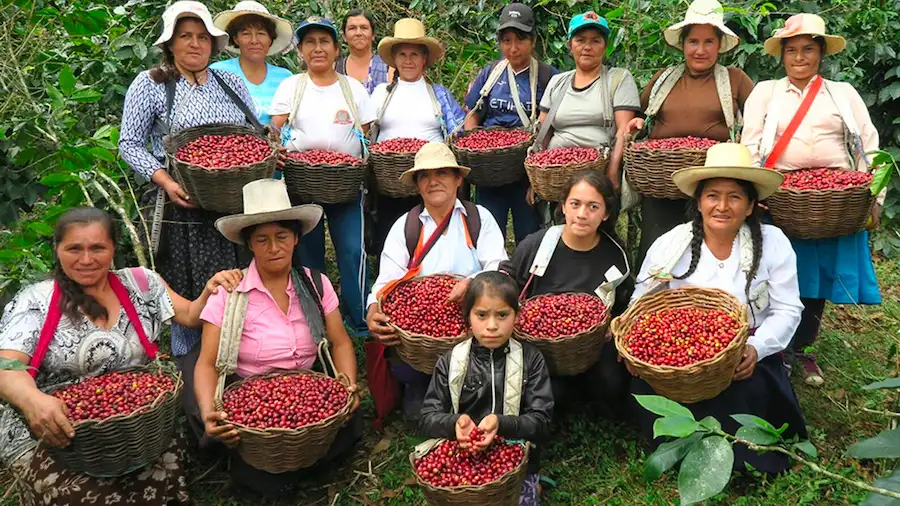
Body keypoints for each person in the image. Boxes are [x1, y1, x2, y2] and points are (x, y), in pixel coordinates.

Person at [0, 207, 241, 505]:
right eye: (74, 249)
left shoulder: (141, 283)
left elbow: (191, 315)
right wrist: (32, 401)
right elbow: (7, 367)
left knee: (158, 477)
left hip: (134, 427)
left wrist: (210, 290)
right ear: (57, 249)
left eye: (97, 248)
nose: (86, 259)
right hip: (58, 432)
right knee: (88, 495)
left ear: (113, 248)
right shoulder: (36, 300)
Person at [118, 0, 261, 420]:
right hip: (183, 209)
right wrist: (165, 180)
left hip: (231, 203)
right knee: (191, 283)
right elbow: (129, 144)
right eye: (185, 36)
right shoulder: (151, 84)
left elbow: (251, 133)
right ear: (170, 43)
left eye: (202, 37)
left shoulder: (227, 81)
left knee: (236, 279)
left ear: (213, 44)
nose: (195, 44)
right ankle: (195, 377)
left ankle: (241, 359)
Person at [629, 143, 806, 474]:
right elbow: (643, 299)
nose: (722, 206)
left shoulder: (773, 243)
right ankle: (683, 446)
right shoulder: (672, 244)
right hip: (681, 358)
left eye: (734, 197)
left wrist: (756, 348)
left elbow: (787, 309)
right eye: (712, 196)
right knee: (647, 385)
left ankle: (735, 457)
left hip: (743, 354)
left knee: (744, 395)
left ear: (750, 206)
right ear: (699, 202)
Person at [193, 179, 361, 495]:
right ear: (249, 244)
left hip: (307, 387)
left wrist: (347, 384)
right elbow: (207, 363)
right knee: (262, 470)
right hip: (251, 397)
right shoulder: (230, 292)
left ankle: (301, 462)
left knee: (347, 424)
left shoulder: (316, 284)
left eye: (282, 236)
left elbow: (340, 342)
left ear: (296, 239)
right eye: (262, 239)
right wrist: (208, 411)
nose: (273, 248)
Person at [741, 13, 882, 386]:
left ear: (821, 53)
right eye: (792, 50)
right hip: (784, 197)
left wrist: (875, 197)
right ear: (782, 55)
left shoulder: (842, 93)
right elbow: (750, 144)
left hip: (835, 198)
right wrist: (754, 191)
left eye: (808, 49)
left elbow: (868, 145)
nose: (799, 57)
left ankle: (803, 347)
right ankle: (775, 348)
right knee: (777, 271)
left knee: (816, 276)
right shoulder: (766, 92)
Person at [366, 142, 508, 422]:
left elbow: (499, 267)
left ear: (458, 180)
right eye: (424, 176)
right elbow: (387, 280)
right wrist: (373, 309)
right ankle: (422, 382)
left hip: (471, 323)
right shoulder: (405, 226)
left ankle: (466, 384)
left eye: (442, 173)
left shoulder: (479, 219)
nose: (433, 182)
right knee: (416, 410)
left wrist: (472, 283)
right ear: (417, 186)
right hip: (419, 337)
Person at [625, 0, 755, 269]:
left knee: (709, 254)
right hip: (662, 181)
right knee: (659, 250)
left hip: (715, 185)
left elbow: (758, 124)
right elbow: (642, 116)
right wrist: (636, 123)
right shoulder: (664, 79)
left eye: (709, 42)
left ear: (719, 45)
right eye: (693, 42)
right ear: (683, 45)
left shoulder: (735, 79)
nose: (700, 50)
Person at [270, 16, 376, 338]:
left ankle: (359, 320)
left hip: (346, 186)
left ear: (336, 49)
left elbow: (365, 134)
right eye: (310, 43)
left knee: (352, 251)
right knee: (308, 254)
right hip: (303, 185)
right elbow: (276, 130)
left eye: (324, 42)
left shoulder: (353, 89)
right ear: (301, 51)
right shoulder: (292, 86)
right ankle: (317, 320)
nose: (317, 49)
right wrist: (279, 150)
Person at [500, 170, 633, 412]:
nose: (582, 214)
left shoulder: (615, 255)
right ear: (563, 206)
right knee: (550, 394)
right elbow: (507, 280)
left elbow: (625, 304)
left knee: (611, 383)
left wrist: (613, 325)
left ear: (606, 214)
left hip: (591, 348)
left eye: (593, 207)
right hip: (541, 347)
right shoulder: (538, 245)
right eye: (575, 204)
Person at [419, 271, 553, 505]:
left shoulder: (530, 360)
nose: (492, 326)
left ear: (516, 316)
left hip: (513, 456)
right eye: (481, 315)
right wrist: (454, 423)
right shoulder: (451, 361)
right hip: (463, 455)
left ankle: (532, 483)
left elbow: (542, 421)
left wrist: (502, 424)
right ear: (468, 317)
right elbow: (427, 418)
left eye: (502, 315)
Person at [368, 18, 466, 256]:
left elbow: (458, 134)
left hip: (432, 181)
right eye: (402, 54)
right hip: (389, 182)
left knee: (434, 243)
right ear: (394, 59)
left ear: (424, 59)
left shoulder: (439, 94)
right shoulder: (381, 93)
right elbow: (366, 133)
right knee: (392, 244)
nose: (408, 60)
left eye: (414, 54)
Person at [463, 3, 558, 244]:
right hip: (489, 171)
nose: (513, 48)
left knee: (529, 237)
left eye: (520, 40)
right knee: (488, 237)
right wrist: (475, 146)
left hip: (525, 172)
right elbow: (472, 114)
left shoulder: (548, 76)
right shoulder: (490, 73)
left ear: (533, 41)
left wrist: (538, 175)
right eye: (506, 41)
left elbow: (551, 127)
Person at [536, 11, 640, 193]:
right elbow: (543, 132)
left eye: (595, 41)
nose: (587, 47)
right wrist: (537, 175)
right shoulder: (557, 82)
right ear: (570, 45)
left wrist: (612, 172)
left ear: (605, 46)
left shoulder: (618, 79)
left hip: (599, 171)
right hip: (556, 172)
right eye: (580, 40)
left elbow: (623, 130)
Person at [211, 1, 294, 127]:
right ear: (236, 38)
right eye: (246, 34)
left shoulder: (285, 78)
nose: (254, 41)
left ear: (270, 39)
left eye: (261, 33)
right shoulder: (218, 72)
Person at [336, 9, 391, 94]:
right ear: (344, 36)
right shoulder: (335, 69)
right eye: (352, 28)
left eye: (364, 28)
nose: (358, 33)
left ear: (373, 34)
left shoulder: (388, 67)